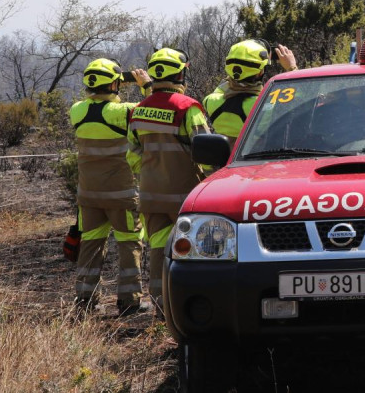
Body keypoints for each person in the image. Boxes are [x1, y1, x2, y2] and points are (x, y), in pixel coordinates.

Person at [128, 48, 210, 318]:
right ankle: (188, 308)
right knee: (193, 252)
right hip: (185, 197)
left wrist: (154, 173)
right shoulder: (188, 108)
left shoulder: (139, 110)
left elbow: (133, 155)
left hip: (151, 195)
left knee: (157, 251)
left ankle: (161, 307)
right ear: (180, 72)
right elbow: (207, 151)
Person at [69, 59, 151, 316]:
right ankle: (130, 300)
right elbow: (154, 107)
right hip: (122, 195)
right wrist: (145, 84)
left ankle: (84, 298)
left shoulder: (77, 110)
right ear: (115, 83)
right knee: (129, 244)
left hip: (89, 196)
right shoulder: (123, 111)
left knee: (91, 245)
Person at [202, 39, 297, 146]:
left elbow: (226, 85)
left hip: (223, 161)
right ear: (260, 72)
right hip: (254, 160)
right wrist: (292, 68)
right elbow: (301, 98)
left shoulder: (210, 101)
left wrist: (238, 64)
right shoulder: (266, 105)